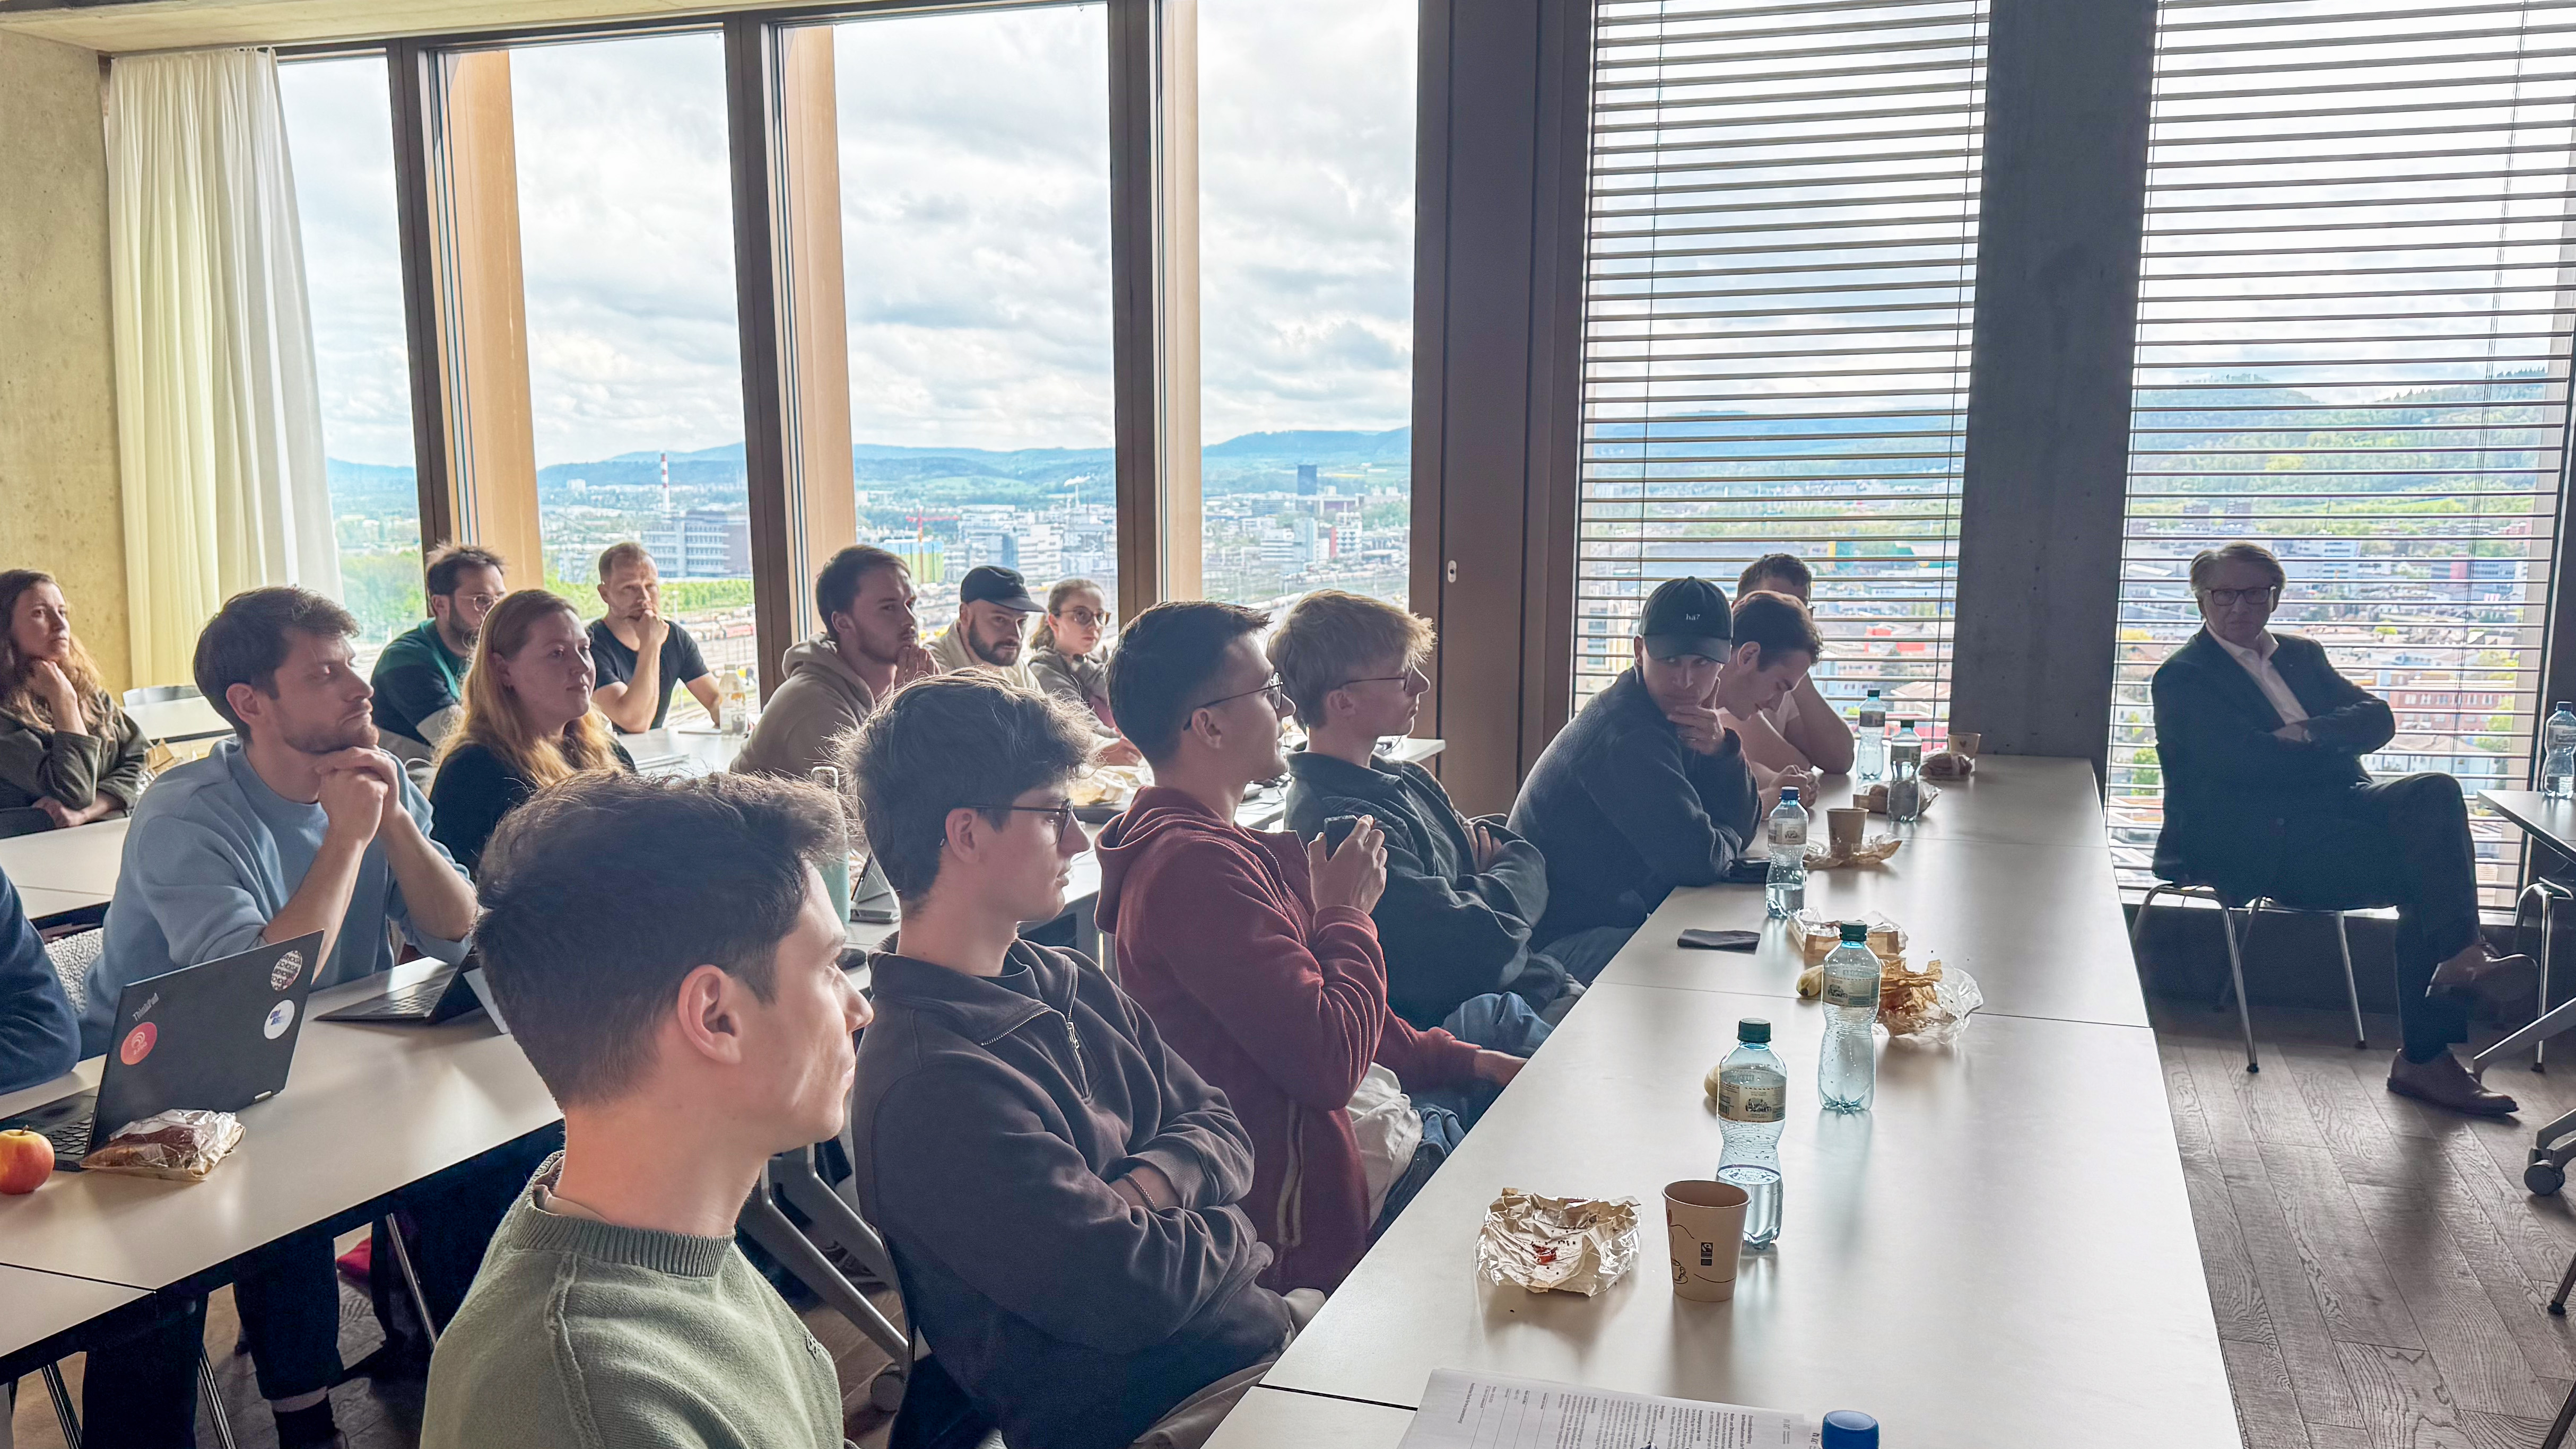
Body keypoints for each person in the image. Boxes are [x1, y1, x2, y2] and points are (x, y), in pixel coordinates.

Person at [844, 676, 1312, 1449]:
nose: (1077, 841)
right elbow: (1133, 1290)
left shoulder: (1067, 978)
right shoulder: (933, 1083)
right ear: (966, 833)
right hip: (1174, 1416)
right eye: (1053, 814)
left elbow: (1223, 1125)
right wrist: (1232, 1224)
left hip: (1263, 1345)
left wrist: (1148, 1189)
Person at [80, 587, 494, 1448]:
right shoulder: (186, 813)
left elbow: (459, 934)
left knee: (494, 1155)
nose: (360, 687)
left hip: (317, 1063)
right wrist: (346, 839)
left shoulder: (373, 780)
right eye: (325, 674)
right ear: (251, 703)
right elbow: (258, 991)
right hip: (145, 1092)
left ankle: (455, 1387)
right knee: (196, 1245)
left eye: (353, 665)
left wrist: (395, 825)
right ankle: (279, 1420)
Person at [421, 770, 869, 1449]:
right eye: (830, 967)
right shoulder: (595, 1409)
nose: (857, 1007)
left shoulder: (661, 1224)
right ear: (715, 1016)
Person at [1095, 601, 1529, 1293]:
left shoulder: (1224, 850)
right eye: (1268, 691)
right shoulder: (1191, 872)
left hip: (1387, 1132)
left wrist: (1465, 1058)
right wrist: (1346, 915)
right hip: (1345, 1193)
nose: (1287, 707)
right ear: (1208, 725)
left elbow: (1324, 1005)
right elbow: (1327, 1061)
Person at [2151, 541, 2535, 1118]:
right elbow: (2243, 764)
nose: (2239, 606)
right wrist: (2329, 740)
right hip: (2256, 837)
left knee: (2433, 795)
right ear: (2200, 598)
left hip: (2338, 812)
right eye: (2223, 594)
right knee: (2426, 873)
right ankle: (2434, 1036)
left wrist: (2305, 734)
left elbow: (2378, 717)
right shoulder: (2184, 677)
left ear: (2274, 597)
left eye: (2254, 593)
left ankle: (2457, 970)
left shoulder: (2302, 655)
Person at [1270, 591, 1607, 1026]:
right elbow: (1471, 951)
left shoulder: (1409, 778)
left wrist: (1481, 892)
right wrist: (1493, 885)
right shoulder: (1343, 826)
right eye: (1401, 677)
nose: (1422, 685)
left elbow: (1518, 851)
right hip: (1488, 1013)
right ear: (1343, 701)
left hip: (1534, 978)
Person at [1509, 578, 1816, 948]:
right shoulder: (1628, 734)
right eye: (1670, 660)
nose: (1685, 681)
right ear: (1639, 651)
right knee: (1732, 959)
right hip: (1558, 943)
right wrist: (1726, 835)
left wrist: (1722, 749)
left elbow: (1732, 827)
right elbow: (1698, 861)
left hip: (1613, 916)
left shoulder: (1680, 719)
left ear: (1723, 661)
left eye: (1702, 663)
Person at [429, 590, 633, 875]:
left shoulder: (611, 753)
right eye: (557, 654)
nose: (582, 666)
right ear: (503, 670)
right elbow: (454, 889)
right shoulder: (474, 771)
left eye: (584, 649)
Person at [733, 544, 935, 781]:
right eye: (889, 608)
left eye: (910, 605)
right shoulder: (815, 705)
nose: (910, 620)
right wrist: (910, 715)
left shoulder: (884, 689)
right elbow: (874, 800)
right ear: (842, 623)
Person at [0, 570, 150, 828]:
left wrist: (87, 813)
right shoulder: (6, 715)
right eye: (39, 613)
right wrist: (64, 701)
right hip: (34, 848)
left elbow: (144, 762)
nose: (61, 625)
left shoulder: (87, 691)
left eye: (62, 612)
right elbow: (73, 791)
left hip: (102, 836)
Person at [371, 544, 506, 767]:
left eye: (500, 598)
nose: (494, 610)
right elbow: (466, 741)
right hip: (416, 777)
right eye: (481, 600)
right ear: (440, 604)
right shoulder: (405, 660)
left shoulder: (496, 649)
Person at [1722, 554, 1855, 780]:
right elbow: (1796, 769)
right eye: (1772, 605)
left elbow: (1839, 759)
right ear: (1739, 608)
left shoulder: (1780, 677)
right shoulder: (1721, 683)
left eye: (1800, 609)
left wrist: (1796, 672)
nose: (1789, 619)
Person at [588, 542, 720, 734]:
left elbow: (713, 699)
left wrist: (727, 712)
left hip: (655, 749)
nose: (644, 598)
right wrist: (650, 644)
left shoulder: (674, 637)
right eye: (629, 588)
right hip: (608, 750)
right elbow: (635, 722)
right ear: (605, 594)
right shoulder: (589, 645)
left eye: (650, 586)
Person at [1028, 577, 1143, 766]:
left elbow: (1130, 700)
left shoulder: (1099, 657)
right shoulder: (1044, 670)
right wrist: (1142, 743)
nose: (1095, 625)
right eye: (1081, 615)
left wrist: (1082, 667)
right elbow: (1084, 728)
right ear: (1054, 621)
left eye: (1100, 616)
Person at [930, 564, 1042, 687]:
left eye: (1021, 622)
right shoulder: (932, 669)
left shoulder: (1012, 665)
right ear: (965, 615)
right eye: (1000, 619)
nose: (1016, 635)